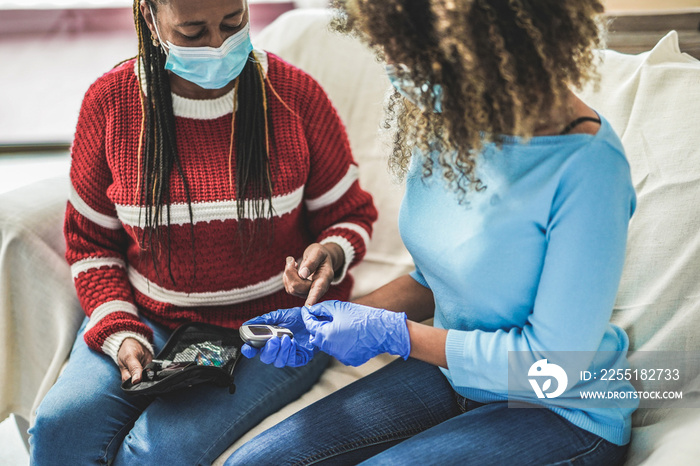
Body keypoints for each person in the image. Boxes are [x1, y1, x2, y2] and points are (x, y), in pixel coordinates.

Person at [225, 0, 639, 464]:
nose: (399, 73)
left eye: (414, 56)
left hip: (557, 408)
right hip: (455, 376)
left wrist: (393, 335)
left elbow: (552, 366)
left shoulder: (588, 168)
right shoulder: (453, 121)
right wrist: (330, 321)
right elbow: (438, 281)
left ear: (493, 41)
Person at [28, 0, 377, 464]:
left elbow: (350, 214)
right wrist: (119, 330)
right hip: (151, 318)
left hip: (274, 329)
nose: (218, 47)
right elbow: (91, 245)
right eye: (192, 33)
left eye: (233, 25)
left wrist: (331, 253)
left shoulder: (294, 96)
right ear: (150, 19)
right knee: (59, 429)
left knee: (159, 452)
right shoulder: (111, 104)